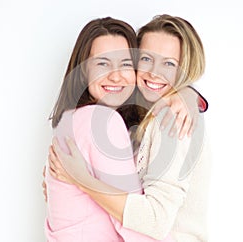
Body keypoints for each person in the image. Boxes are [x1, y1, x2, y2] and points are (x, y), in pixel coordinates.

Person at [48, 14, 211, 242]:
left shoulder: (174, 117)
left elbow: (155, 221)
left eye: (169, 64)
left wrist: (81, 179)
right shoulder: (132, 121)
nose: (154, 72)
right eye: (146, 59)